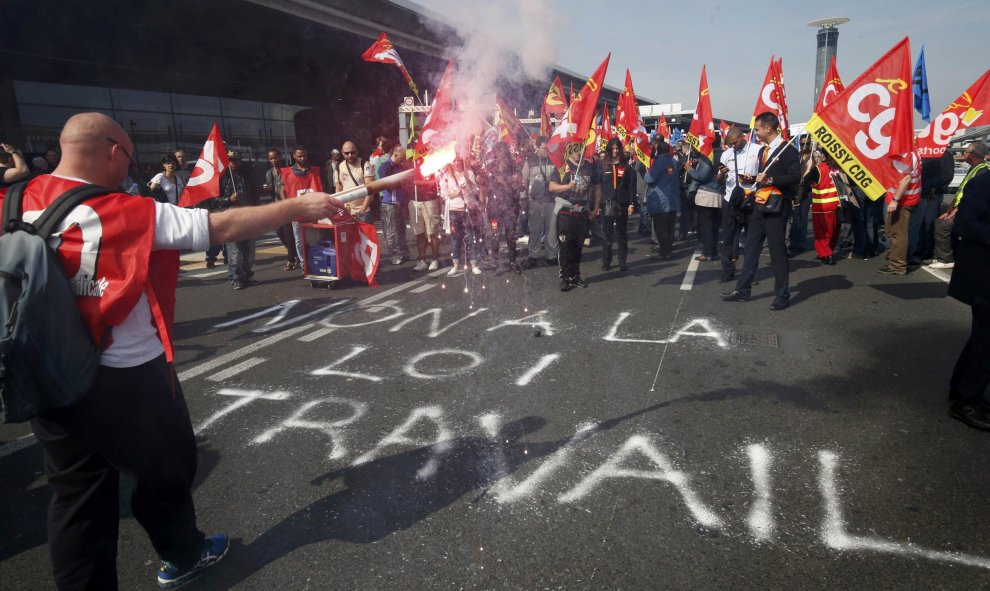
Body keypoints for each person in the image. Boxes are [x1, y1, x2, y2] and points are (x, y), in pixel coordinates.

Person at [0, 112, 343, 590]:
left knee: (76, 497)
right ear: (115, 151)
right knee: (166, 468)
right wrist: (296, 209)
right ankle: (183, 554)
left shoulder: (10, 200)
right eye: (129, 158)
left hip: (44, 373)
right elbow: (218, 228)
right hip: (123, 376)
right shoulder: (124, 210)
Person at [722, 111, 800, 310]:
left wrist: (771, 180)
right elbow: (762, 176)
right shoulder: (762, 151)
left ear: (768, 128)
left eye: (757, 129)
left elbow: (795, 177)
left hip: (776, 207)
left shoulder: (787, 150)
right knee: (750, 249)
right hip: (759, 204)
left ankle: (782, 294)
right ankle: (743, 290)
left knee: (777, 252)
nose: (755, 133)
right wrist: (752, 179)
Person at [945, 171, 990, 430]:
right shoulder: (983, 182)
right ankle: (966, 401)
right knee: (985, 340)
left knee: (982, 339)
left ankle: (965, 393)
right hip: (982, 275)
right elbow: (965, 225)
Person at [930, 143, 988, 269]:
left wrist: (954, 213)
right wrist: (949, 210)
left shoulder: (982, 171)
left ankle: (945, 259)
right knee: (943, 219)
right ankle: (952, 255)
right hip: (964, 209)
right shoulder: (974, 168)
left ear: (972, 155)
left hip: (972, 213)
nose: (964, 154)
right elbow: (960, 194)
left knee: (942, 225)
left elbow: (971, 199)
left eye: (966, 152)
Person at [549, 148, 600, 290]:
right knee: (565, 247)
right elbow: (552, 187)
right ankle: (565, 277)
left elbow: (597, 187)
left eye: (581, 149)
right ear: (570, 150)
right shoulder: (562, 166)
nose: (579, 152)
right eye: (576, 149)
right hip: (565, 213)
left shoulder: (590, 167)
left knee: (578, 247)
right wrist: (567, 186)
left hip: (582, 214)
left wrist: (595, 208)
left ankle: (575, 276)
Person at [717, 128, 759, 283]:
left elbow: (763, 175)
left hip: (750, 199)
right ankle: (727, 271)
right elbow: (719, 180)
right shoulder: (726, 154)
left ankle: (750, 274)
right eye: (730, 144)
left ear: (743, 137)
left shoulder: (757, 150)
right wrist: (722, 174)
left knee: (752, 240)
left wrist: (752, 179)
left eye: (735, 143)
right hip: (731, 200)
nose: (732, 146)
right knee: (728, 237)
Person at [877, 150, 921, 276]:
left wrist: (895, 200)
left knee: (898, 234)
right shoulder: (913, 152)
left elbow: (905, 178)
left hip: (902, 201)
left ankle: (897, 265)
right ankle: (897, 260)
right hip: (910, 198)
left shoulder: (904, 154)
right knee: (898, 232)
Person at [279, 145, 324, 269]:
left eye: (304, 155)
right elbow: (281, 190)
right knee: (299, 240)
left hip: (313, 212)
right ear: (294, 156)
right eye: (299, 156)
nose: (302, 158)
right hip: (297, 213)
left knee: (314, 238)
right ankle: (304, 264)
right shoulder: (287, 173)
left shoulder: (315, 171)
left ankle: (315, 261)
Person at [438, 156, 483, 276]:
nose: (457, 163)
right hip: (453, 210)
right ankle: (456, 265)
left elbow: (475, 190)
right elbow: (444, 194)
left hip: (467, 209)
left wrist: (468, 184)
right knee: (455, 238)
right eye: (454, 160)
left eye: (459, 160)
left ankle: (474, 265)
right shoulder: (446, 176)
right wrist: (456, 192)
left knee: (470, 237)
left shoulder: (468, 173)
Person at [219, 151, 257, 290]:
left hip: (247, 217)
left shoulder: (246, 176)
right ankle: (235, 278)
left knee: (249, 251)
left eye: (236, 160)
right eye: (231, 160)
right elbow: (214, 200)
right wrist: (228, 199)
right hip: (231, 219)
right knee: (235, 252)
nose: (233, 162)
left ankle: (247, 275)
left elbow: (254, 196)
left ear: (240, 161)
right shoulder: (222, 179)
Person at [598, 138, 637, 271]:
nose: (615, 151)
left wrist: (632, 203)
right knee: (607, 234)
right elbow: (597, 186)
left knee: (621, 234)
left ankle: (622, 262)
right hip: (607, 204)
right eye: (613, 148)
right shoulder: (602, 165)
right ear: (609, 149)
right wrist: (597, 205)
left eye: (617, 148)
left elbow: (631, 185)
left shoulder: (625, 165)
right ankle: (606, 261)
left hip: (622, 204)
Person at [521, 138, 558, 268]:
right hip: (535, 202)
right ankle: (533, 256)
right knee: (535, 230)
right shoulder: (530, 161)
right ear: (537, 147)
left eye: (547, 148)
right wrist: (523, 198)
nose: (546, 150)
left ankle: (551, 255)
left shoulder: (554, 160)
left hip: (551, 200)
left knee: (551, 230)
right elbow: (524, 180)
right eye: (543, 148)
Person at [685, 143, 725, 263]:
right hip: (718, 193)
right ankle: (713, 252)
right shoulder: (723, 155)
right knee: (714, 226)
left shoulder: (709, 156)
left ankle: (707, 253)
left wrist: (690, 169)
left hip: (707, 194)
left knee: (705, 226)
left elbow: (702, 176)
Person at [644, 138, 681, 259]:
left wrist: (647, 171)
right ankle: (669, 250)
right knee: (670, 227)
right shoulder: (674, 162)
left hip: (661, 201)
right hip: (673, 199)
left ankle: (664, 252)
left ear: (658, 151)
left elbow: (650, 179)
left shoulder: (659, 162)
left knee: (660, 228)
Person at [804, 151, 843, 265]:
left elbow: (806, 180)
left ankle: (825, 254)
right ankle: (827, 250)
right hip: (837, 205)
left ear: (823, 155)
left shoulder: (819, 168)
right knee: (834, 232)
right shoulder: (840, 168)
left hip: (822, 205)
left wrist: (809, 167)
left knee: (822, 233)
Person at [378, 144, 414, 265]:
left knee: (401, 229)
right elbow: (387, 183)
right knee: (391, 231)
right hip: (390, 203)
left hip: (400, 203)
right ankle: (393, 254)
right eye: (402, 158)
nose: (403, 161)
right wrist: (400, 183)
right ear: (396, 155)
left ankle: (403, 252)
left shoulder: (399, 167)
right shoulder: (385, 166)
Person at [266, 148, 300, 271]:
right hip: (276, 207)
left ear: (280, 157)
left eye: (275, 157)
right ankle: (294, 254)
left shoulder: (287, 171)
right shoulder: (269, 173)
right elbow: (271, 188)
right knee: (280, 233)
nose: (274, 160)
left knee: (288, 233)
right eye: (271, 158)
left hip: (286, 206)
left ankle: (291, 259)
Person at [336, 140, 375, 222]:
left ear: (357, 151)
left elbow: (370, 190)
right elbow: (338, 189)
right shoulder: (340, 166)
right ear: (342, 153)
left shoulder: (365, 164)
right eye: (346, 153)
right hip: (346, 212)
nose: (350, 155)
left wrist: (362, 210)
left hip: (363, 212)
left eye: (352, 152)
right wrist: (340, 209)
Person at [410, 173, 442, 271]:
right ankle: (422, 260)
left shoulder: (431, 161)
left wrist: (420, 183)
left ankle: (434, 259)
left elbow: (437, 181)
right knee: (419, 233)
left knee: (432, 232)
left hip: (430, 200)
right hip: (414, 200)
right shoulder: (411, 162)